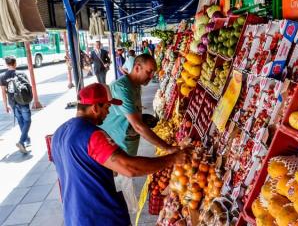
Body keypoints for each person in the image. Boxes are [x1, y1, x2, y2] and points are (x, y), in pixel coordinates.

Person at [51, 83, 189, 226]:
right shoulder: (92, 135)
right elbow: (130, 168)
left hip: (74, 216)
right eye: (107, 108)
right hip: (101, 216)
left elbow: (76, 168)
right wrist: (173, 158)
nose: (108, 113)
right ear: (95, 108)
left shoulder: (58, 134)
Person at [101, 54, 176, 156]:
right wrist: (168, 148)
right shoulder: (122, 88)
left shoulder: (136, 85)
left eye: (153, 73)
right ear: (137, 68)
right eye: (149, 72)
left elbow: (129, 112)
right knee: (112, 170)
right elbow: (138, 126)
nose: (151, 77)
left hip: (128, 139)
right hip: (116, 140)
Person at [0, 57, 31, 153]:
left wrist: (5, 106)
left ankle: (26, 139)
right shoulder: (22, 74)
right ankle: (22, 141)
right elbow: (28, 88)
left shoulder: (2, 76)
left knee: (21, 121)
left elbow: (3, 93)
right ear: (15, 63)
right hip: (23, 101)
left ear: (6, 64)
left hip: (12, 102)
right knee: (27, 121)